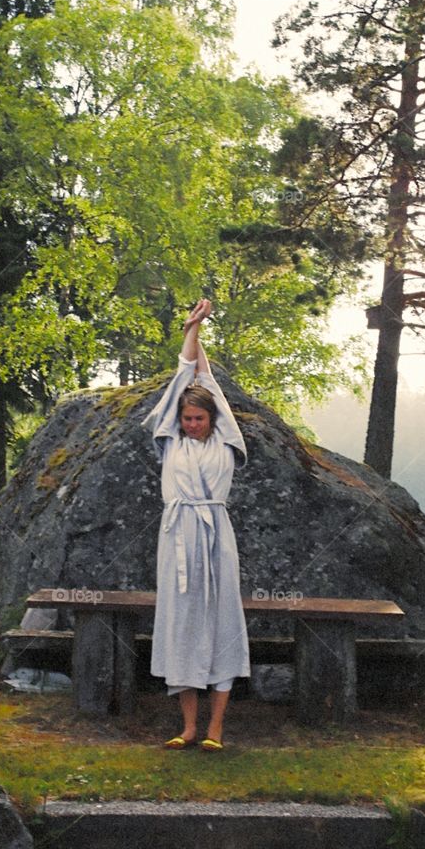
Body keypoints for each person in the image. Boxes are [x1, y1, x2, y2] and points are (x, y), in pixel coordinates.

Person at [142, 298, 250, 750]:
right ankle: (188, 727)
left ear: (213, 419)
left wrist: (199, 331)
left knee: (222, 620)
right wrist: (191, 331)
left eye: (198, 418)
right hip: (177, 537)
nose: (191, 425)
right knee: (182, 623)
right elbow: (186, 378)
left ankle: (216, 729)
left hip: (214, 537)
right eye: (186, 419)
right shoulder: (171, 444)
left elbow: (206, 381)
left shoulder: (225, 443)